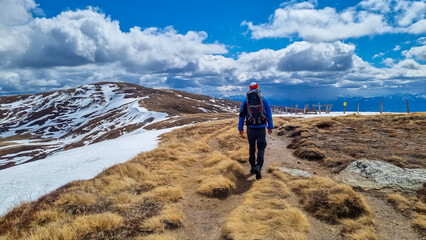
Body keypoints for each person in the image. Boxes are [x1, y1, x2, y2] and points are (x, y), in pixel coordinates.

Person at [238, 82, 273, 180]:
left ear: (249, 89)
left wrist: (240, 128)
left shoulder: (246, 100)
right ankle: (259, 167)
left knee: (252, 148)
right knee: (261, 148)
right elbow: (269, 114)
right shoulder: (264, 99)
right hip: (261, 128)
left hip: (250, 129)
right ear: (258, 88)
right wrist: (270, 127)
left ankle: (252, 167)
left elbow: (241, 116)